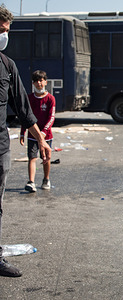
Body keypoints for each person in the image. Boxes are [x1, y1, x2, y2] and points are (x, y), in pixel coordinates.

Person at [0, 5, 52, 277]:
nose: (3, 35)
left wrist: (41, 141)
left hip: (0, 149)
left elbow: (23, 109)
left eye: (6, 31)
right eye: (0, 30)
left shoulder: (7, 66)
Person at [20, 70, 55, 192]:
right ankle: (31, 182)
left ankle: (46, 179)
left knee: (45, 158)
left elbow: (51, 117)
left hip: (47, 135)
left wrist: (44, 132)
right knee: (32, 157)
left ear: (45, 82)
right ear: (33, 83)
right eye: (36, 81)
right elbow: (26, 117)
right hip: (32, 134)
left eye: (41, 80)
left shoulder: (50, 99)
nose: (39, 83)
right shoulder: (29, 98)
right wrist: (22, 132)